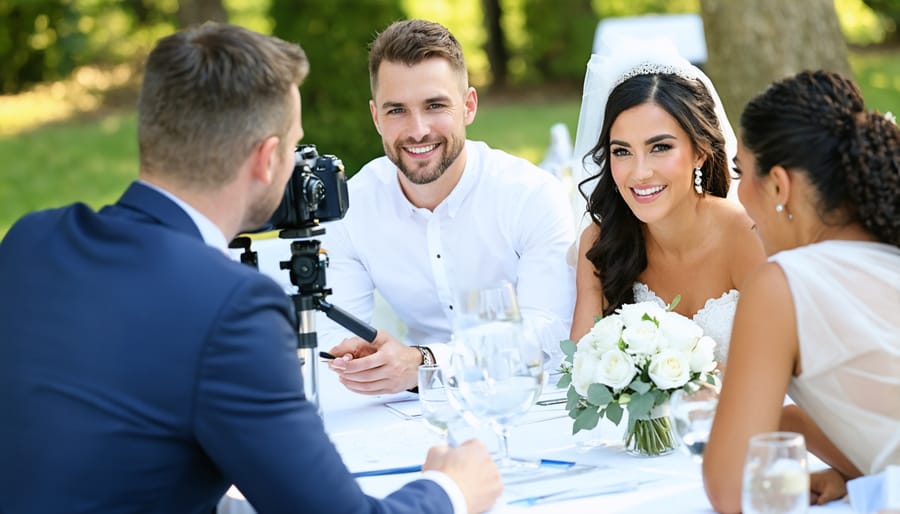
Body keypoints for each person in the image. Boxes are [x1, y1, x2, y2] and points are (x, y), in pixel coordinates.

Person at [0, 22, 502, 514]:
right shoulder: (233, 307)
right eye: (295, 146)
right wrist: (451, 489)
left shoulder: (31, 240)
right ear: (267, 160)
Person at [321, 19, 576, 395]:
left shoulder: (531, 195)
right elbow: (335, 333)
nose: (418, 129)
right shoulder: (351, 207)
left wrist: (426, 362)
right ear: (376, 117)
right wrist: (356, 358)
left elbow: (552, 332)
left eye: (435, 105)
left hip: (526, 399)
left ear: (468, 106)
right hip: (410, 407)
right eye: (397, 111)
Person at [702, 69, 900, 513]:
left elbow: (733, 491)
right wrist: (854, 477)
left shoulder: (783, 282)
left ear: (778, 185)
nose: (738, 196)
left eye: (741, 173)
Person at [569, 38, 765, 365]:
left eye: (660, 147)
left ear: (700, 151)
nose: (640, 172)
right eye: (622, 151)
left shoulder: (746, 235)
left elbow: (781, 368)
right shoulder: (600, 244)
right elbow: (580, 368)